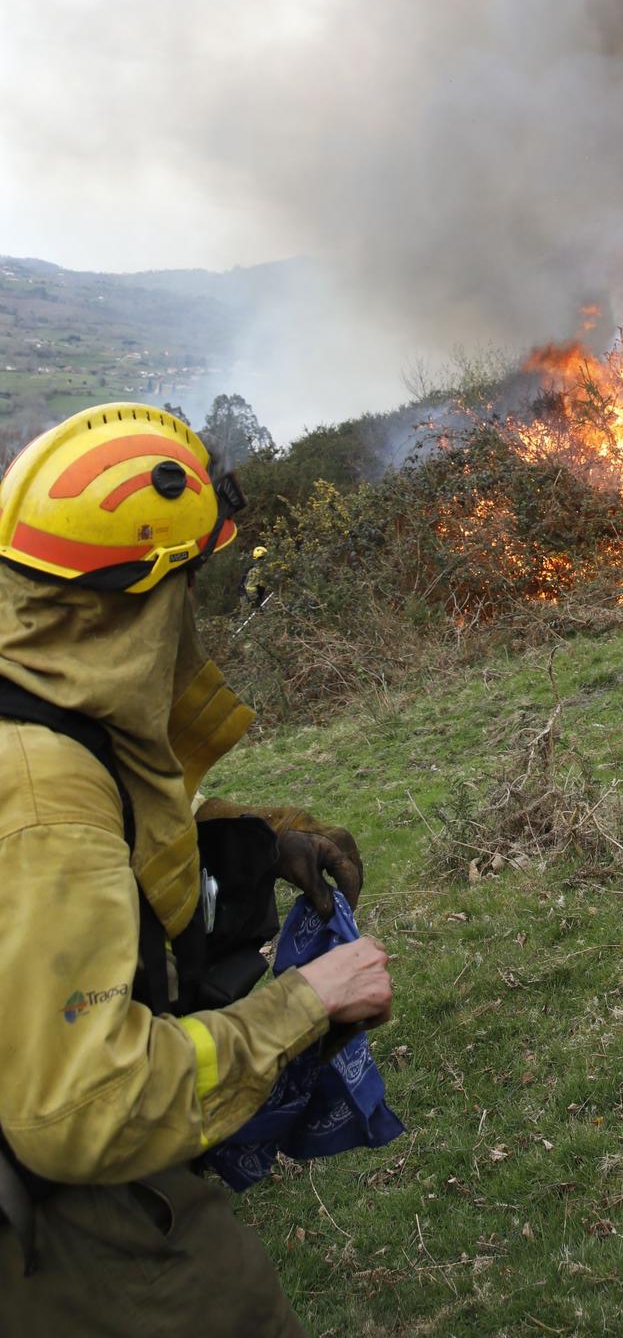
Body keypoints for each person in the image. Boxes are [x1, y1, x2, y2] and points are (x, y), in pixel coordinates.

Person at [0, 404, 392, 1335]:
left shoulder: (34, 683)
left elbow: (112, 836)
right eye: (193, 581)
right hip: (56, 1206)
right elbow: (83, 1108)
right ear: (150, 590)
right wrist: (305, 1004)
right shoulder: (43, 803)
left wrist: (257, 839)